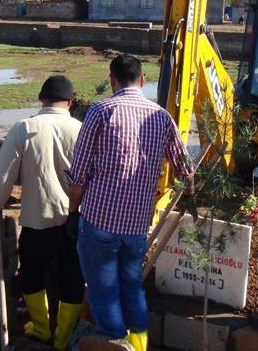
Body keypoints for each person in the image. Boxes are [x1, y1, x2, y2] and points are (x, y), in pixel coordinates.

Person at [67, 54, 194, 351]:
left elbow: (78, 177)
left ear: (112, 80)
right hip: (137, 225)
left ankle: (115, 342)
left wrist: (73, 213)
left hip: (100, 220)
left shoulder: (100, 111)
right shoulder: (161, 117)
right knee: (132, 285)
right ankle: (139, 344)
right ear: (142, 81)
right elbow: (185, 169)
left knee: (103, 290)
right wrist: (189, 193)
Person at [0, 75, 84, 351]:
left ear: (41, 99)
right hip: (76, 222)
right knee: (72, 278)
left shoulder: (24, 129)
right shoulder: (82, 130)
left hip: (38, 219)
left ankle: (40, 329)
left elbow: (2, 179)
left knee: (31, 274)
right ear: (71, 102)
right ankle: (62, 339)